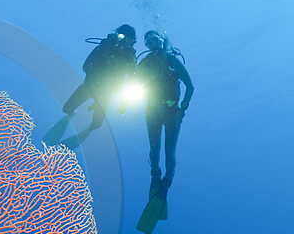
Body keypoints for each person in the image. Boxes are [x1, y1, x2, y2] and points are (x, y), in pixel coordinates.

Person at [44, 24, 137, 147]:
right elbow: (86, 65)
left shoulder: (130, 57)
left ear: (132, 41)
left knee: (97, 123)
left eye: (129, 39)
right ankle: (71, 115)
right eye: (121, 37)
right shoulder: (105, 46)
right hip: (90, 85)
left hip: (106, 93)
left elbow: (130, 81)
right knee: (67, 108)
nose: (124, 42)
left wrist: (123, 101)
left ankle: (87, 130)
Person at [137, 29, 194, 198]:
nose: (151, 43)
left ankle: (167, 181)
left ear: (161, 41)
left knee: (169, 151)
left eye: (154, 39)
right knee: (154, 149)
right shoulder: (144, 64)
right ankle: (155, 174)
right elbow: (132, 83)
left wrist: (183, 107)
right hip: (152, 111)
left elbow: (190, 86)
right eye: (147, 41)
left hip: (173, 113)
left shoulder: (172, 60)